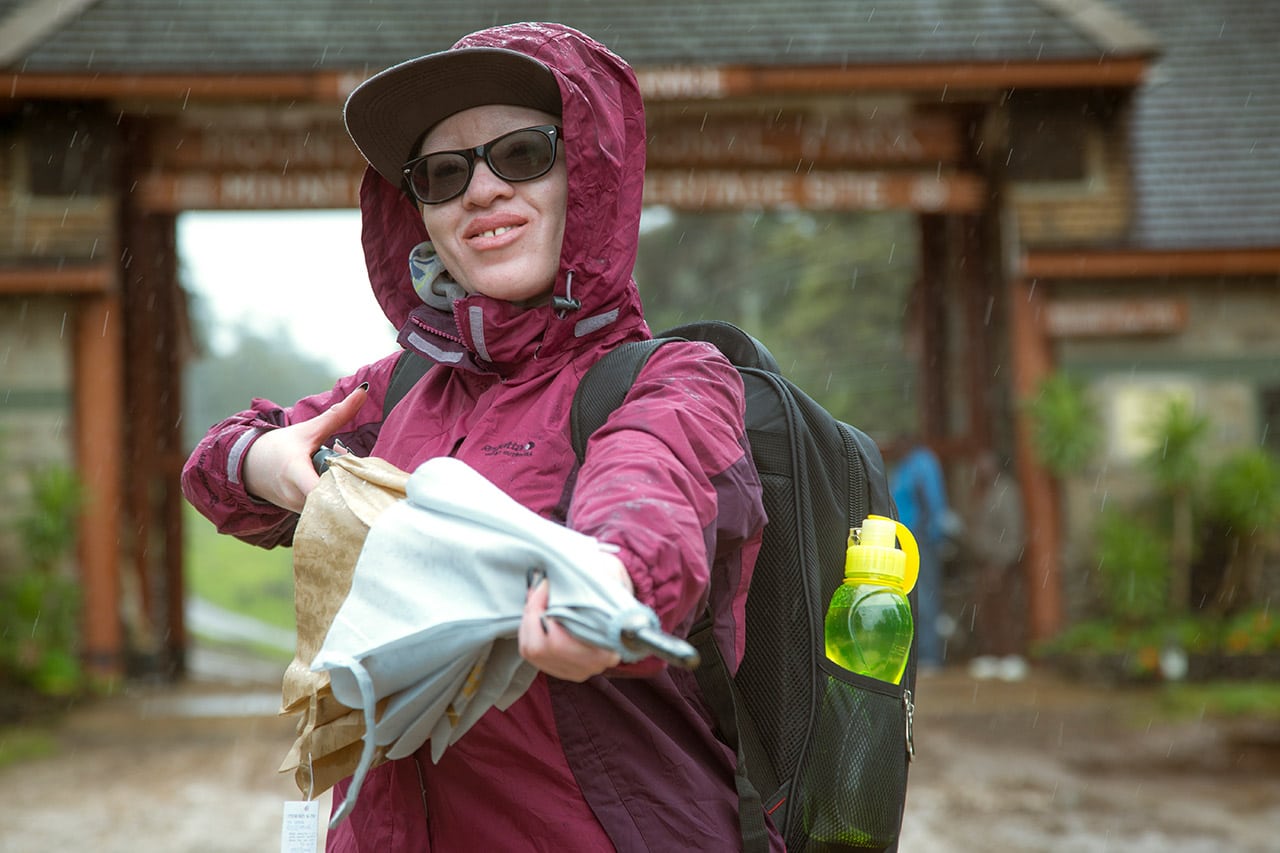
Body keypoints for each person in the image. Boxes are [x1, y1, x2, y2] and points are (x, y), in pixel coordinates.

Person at [181, 22, 778, 852]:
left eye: (523, 154)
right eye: (444, 172)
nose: (483, 191)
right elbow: (217, 466)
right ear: (418, 210)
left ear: (589, 174)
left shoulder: (671, 379)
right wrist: (265, 462)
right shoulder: (394, 391)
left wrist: (603, 588)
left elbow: (652, 497)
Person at [889, 439, 957, 670]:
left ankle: (930, 656)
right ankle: (916, 657)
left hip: (920, 538)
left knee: (925, 596)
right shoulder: (907, 465)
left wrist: (931, 534)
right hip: (906, 536)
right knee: (911, 594)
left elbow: (932, 502)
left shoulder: (922, 463)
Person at [963, 450, 1028, 681]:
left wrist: (1000, 564)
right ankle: (990, 655)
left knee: (1005, 611)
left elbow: (1013, 532)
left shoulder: (1006, 494)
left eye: (984, 465)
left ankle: (1010, 655)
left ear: (995, 467)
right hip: (982, 563)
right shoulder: (981, 491)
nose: (980, 469)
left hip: (1001, 564)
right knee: (985, 612)